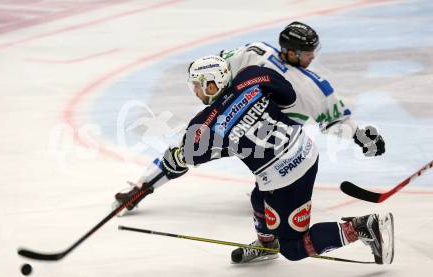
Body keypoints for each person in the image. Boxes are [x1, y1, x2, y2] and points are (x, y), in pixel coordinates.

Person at [114, 55, 394, 264]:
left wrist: (161, 172)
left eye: (198, 86)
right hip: (305, 151)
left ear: (213, 83)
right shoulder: (253, 76)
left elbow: (185, 158)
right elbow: (288, 96)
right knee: (258, 199)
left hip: (285, 177)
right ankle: (266, 243)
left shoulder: (205, 123)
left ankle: (362, 228)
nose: (196, 93)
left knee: (294, 248)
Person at [219, 21, 385, 157]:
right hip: (260, 136)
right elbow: (337, 120)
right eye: (307, 53)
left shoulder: (256, 50)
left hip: (237, 127)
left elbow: (220, 62)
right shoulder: (311, 85)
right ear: (291, 53)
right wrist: (361, 137)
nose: (312, 56)